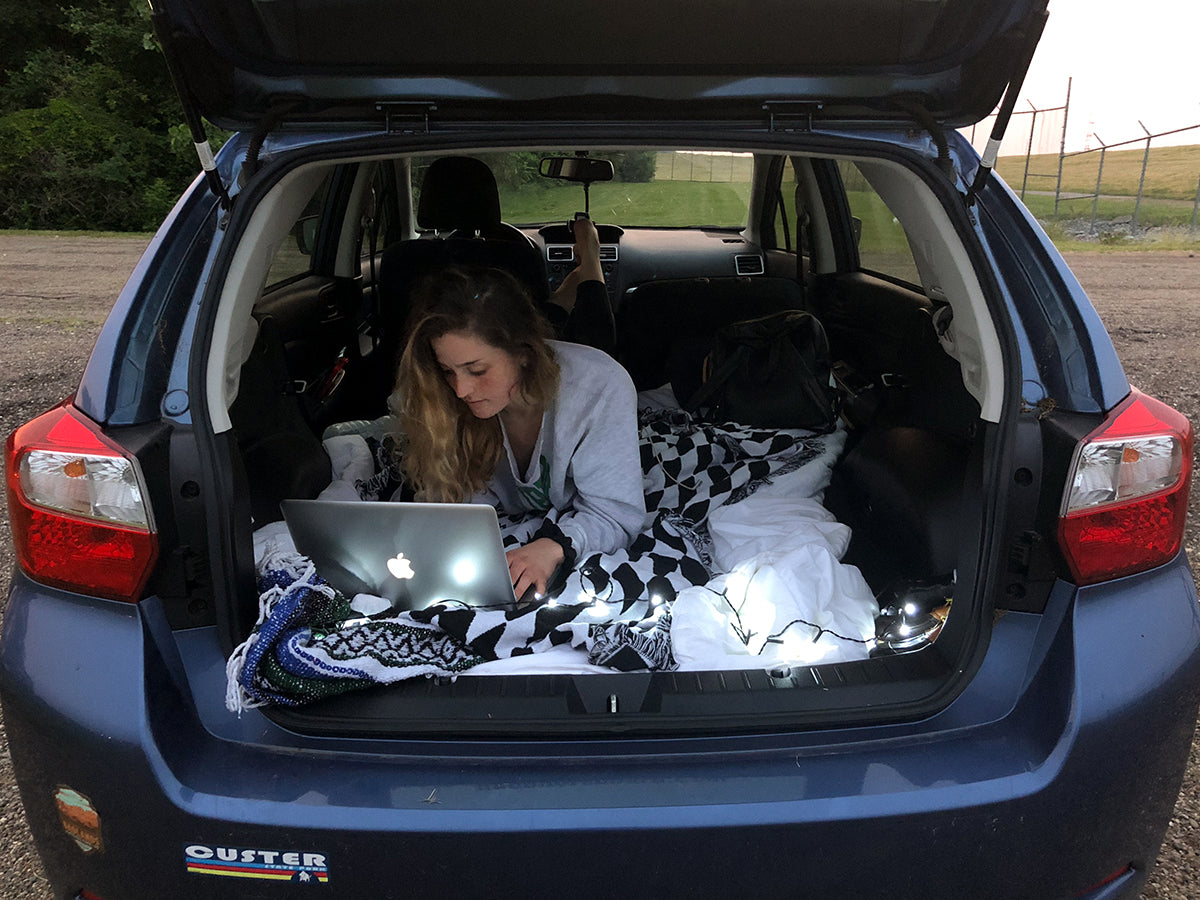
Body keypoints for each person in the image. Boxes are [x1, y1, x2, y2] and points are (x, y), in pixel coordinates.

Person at [391, 224, 646, 599]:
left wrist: (555, 545)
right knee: (552, 312)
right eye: (448, 371)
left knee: (593, 327)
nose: (460, 390)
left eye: (477, 371)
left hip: (576, 362)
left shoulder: (600, 388)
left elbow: (616, 513)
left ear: (523, 354)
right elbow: (456, 499)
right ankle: (567, 289)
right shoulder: (437, 396)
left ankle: (588, 266)